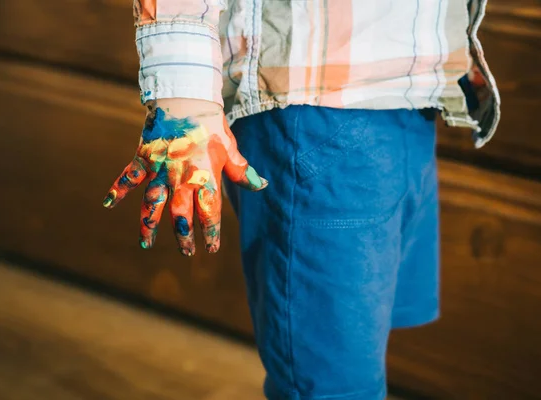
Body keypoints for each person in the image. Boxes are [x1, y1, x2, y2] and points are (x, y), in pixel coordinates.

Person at [103, 1, 500, 399]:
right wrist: (183, 102)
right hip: (316, 116)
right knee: (330, 384)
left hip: (412, 95)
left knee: (356, 344)